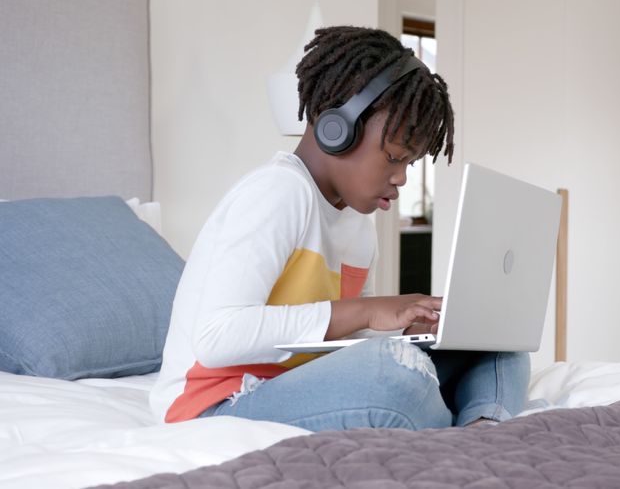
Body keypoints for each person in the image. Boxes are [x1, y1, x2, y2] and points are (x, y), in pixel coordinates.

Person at [149, 26, 529, 431]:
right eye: (394, 158)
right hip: (213, 401)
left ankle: (483, 429)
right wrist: (367, 311)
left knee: (498, 348)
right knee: (395, 374)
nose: (401, 178)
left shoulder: (359, 225)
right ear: (337, 129)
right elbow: (217, 337)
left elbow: (341, 345)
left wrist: (406, 328)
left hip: (301, 384)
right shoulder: (278, 191)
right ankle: (464, 424)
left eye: (409, 164)